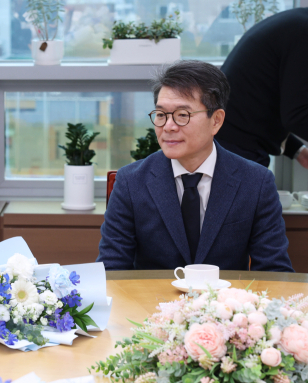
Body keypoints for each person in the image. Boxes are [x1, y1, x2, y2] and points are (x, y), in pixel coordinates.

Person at [97, 60, 293, 272]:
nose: (168, 127)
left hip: (224, 294)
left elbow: (274, 272)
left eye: (182, 115)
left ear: (216, 120)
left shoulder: (256, 182)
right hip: (152, 294)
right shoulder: (131, 182)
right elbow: (111, 271)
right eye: (161, 115)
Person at [215, 8, 308, 169]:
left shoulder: (298, 22)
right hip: (237, 148)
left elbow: (262, 95)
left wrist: (297, 150)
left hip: (229, 140)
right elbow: (296, 115)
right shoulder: (303, 33)